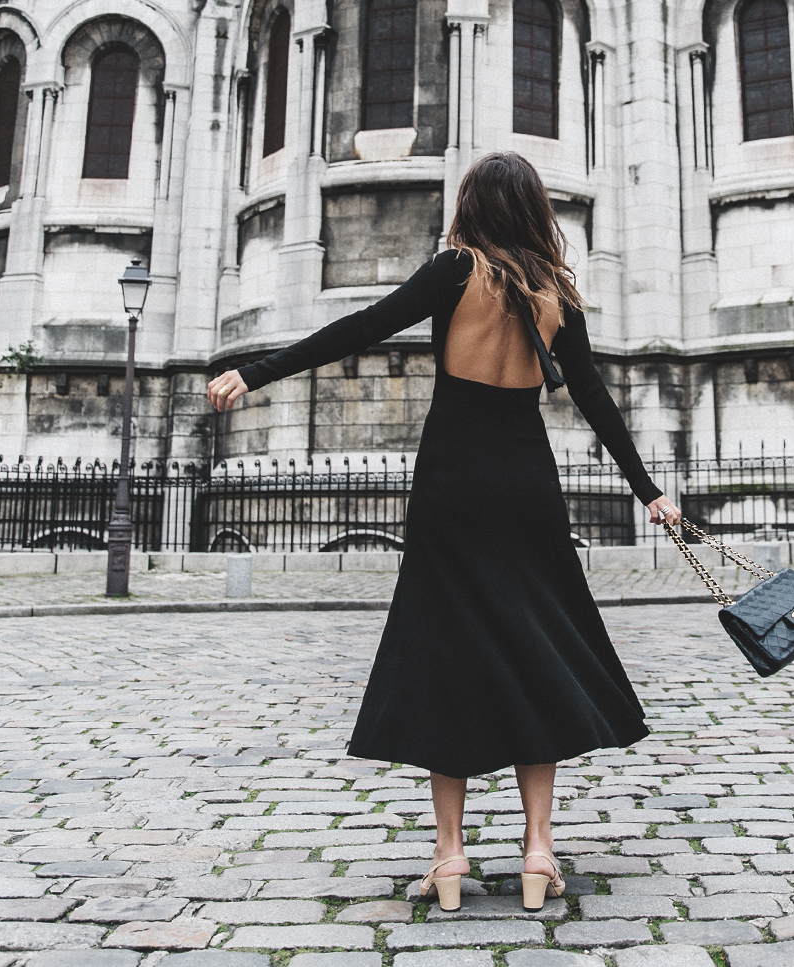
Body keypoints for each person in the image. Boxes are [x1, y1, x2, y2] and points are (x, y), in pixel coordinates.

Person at [209, 152, 681, 912]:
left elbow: (360, 327)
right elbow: (594, 398)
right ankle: (537, 849)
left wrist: (256, 373)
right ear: (532, 210)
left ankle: (452, 854)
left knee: (443, 646)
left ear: (472, 206)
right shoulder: (555, 293)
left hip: (452, 481)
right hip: (526, 483)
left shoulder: (454, 270)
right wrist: (649, 491)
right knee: (536, 647)